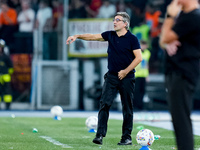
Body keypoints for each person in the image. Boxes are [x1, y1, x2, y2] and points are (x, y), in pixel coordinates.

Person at [66, 12, 142, 145]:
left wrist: (125, 71)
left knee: (127, 107)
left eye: (117, 20)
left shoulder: (132, 39)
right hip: (112, 76)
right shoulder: (110, 35)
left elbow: (139, 58)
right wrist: (77, 36)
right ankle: (99, 135)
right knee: (104, 103)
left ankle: (126, 137)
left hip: (127, 77)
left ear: (125, 24)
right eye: (114, 19)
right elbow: (92, 37)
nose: (114, 22)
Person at [159, 0, 200, 150]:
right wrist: (167, 42)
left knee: (181, 121)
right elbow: (164, 40)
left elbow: (165, 37)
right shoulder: (184, 15)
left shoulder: (193, 16)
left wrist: (169, 16)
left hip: (183, 72)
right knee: (179, 119)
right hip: (176, 71)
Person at [134, 40, 151, 110]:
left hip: (143, 75)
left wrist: (147, 75)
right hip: (136, 75)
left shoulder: (147, 53)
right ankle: (135, 106)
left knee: (142, 91)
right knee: (136, 91)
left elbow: (146, 64)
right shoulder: (136, 52)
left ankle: (140, 106)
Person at [0, 39, 14, 110]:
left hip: (6, 78)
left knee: (7, 92)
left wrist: (7, 75)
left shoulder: (6, 57)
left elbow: (11, 67)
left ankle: (8, 106)